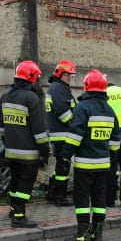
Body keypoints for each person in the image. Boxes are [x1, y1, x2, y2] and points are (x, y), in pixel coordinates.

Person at [60, 69, 120, 241]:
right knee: (99, 199)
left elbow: (74, 136)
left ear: (86, 87)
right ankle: (97, 235)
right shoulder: (109, 110)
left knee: (82, 198)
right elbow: (115, 142)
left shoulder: (82, 108)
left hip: (85, 165)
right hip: (103, 165)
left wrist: (65, 156)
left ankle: (82, 235)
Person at [0, 60, 50, 228]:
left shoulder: (5, 97)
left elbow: (2, 127)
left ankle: (13, 209)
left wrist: (8, 144)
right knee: (25, 185)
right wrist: (45, 151)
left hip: (10, 152)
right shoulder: (32, 98)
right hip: (28, 154)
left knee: (14, 183)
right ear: (32, 78)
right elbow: (40, 131)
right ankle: (19, 217)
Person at [44, 59, 77, 206]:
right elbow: (63, 111)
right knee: (63, 166)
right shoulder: (59, 89)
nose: (70, 77)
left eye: (71, 75)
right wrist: (75, 124)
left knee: (60, 165)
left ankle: (52, 193)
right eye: (67, 75)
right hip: (63, 134)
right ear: (60, 74)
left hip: (59, 134)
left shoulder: (57, 87)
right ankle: (60, 196)